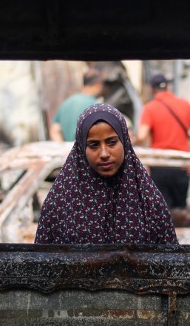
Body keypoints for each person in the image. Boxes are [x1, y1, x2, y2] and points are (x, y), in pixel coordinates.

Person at [35, 103, 178, 246]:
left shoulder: (148, 200)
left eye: (111, 142)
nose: (104, 154)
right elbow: (41, 261)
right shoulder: (60, 202)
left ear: (125, 142)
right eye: (94, 145)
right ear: (81, 148)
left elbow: (170, 260)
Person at [137, 73, 190, 208]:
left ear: (151, 89)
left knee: (162, 210)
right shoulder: (184, 104)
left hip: (160, 164)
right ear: (168, 87)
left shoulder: (149, 108)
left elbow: (141, 136)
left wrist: (145, 155)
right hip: (182, 164)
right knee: (180, 211)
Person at [49, 66, 106, 142]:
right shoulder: (96, 105)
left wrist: (64, 147)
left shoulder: (66, 102)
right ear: (98, 85)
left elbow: (55, 130)